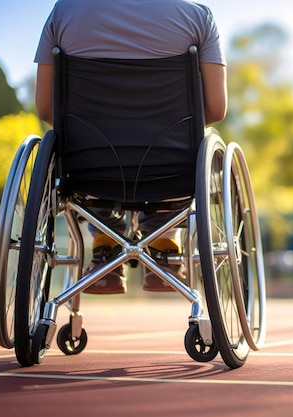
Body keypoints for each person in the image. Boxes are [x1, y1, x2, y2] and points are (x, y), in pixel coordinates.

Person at [34, 0, 227, 294]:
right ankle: (165, 244)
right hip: (171, 171)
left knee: (77, 153)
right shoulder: (197, 16)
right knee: (184, 150)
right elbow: (214, 110)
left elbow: (48, 111)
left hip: (89, 172)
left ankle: (105, 243)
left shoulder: (64, 12)